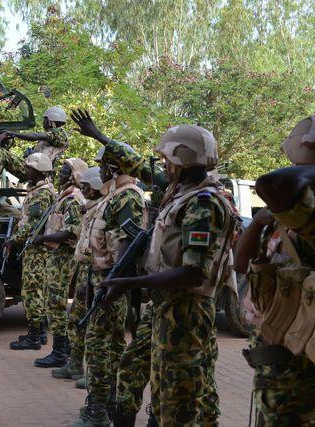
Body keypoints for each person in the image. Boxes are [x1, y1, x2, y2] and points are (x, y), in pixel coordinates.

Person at [72, 110, 236, 425]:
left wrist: (131, 283)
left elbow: (193, 273)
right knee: (134, 367)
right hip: (164, 305)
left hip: (186, 310)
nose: (163, 165)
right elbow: (137, 167)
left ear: (182, 160)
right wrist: (100, 136)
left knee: (180, 392)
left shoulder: (203, 203)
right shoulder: (178, 191)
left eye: (167, 159)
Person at [234, 115, 315, 425]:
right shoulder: (288, 211)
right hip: (278, 365)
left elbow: (273, 183)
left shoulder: (303, 206)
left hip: (300, 372)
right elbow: (242, 264)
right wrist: (257, 223)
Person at [70, 147, 147, 427]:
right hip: (101, 279)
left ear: (115, 169)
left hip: (111, 282)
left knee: (101, 348)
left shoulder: (126, 197)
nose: (99, 170)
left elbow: (128, 248)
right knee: (106, 347)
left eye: (104, 166)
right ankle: (107, 405)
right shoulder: (112, 196)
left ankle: (99, 411)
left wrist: (113, 284)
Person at [32, 157, 87, 367]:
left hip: (65, 255)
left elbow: (71, 231)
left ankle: (60, 351)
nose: (61, 173)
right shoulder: (64, 197)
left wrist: (44, 239)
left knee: (56, 301)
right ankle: (62, 350)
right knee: (52, 300)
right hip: (58, 255)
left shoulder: (73, 199)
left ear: (74, 175)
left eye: (65, 170)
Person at [51, 167, 103, 383]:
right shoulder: (91, 207)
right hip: (85, 269)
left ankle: (93, 374)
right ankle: (74, 365)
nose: (83, 190)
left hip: (97, 272)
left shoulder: (102, 207)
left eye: (86, 187)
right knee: (76, 320)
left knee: (93, 325)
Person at [6, 152, 57, 350]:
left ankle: (34, 338)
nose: (26, 171)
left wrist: (13, 240)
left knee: (32, 292)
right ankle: (38, 333)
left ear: (39, 171)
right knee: (34, 291)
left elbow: (33, 225)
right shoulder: (38, 190)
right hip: (35, 247)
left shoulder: (42, 193)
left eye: (29, 168)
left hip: (37, 250)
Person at [0, 106, 69, 188]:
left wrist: (10, 133)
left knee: (3, 153)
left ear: (51, 121)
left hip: (36, 171)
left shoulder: (60, 135)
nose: (43, 123)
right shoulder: (52, 137)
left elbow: (34, 136)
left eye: (45, 120)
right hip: (35, 170)